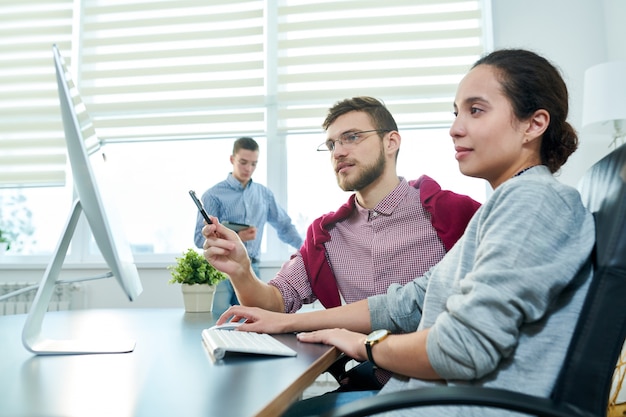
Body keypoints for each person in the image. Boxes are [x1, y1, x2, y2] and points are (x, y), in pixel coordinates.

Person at [204, 49, 596, 417]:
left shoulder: (526, 204)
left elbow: (461, 347)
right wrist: (270, 300)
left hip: (449, 402)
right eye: (331, 144)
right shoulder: (502, 207)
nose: (455, 129)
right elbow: (405, 303)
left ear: (534, 123)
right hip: (421, 393)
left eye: (475, 111)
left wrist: (364, 344)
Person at [202, 97, 480, 390]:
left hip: (442, 393)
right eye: (332, 144)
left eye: (352, 137)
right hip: (369, 387)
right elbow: (274, 305)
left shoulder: (455, 214)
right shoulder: (326, 233)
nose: (338, 152)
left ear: (391, 142)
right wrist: (241, 271)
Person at [193, 137, 303, 315]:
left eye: (253, 164)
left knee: (254, 321)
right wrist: (239, 237)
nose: (248, 169)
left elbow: (284, 225)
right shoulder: (213, 195)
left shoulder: (264, 194)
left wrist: (306, 249)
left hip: (252, 268)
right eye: (243, 162)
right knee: (217, 321)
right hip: (221, 269)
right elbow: (199, 239)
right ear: (232, 159)